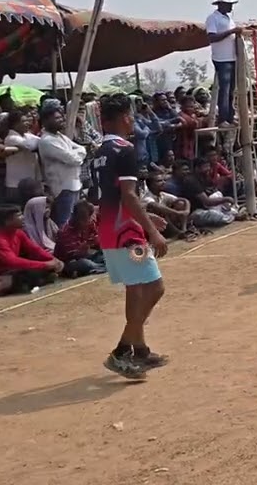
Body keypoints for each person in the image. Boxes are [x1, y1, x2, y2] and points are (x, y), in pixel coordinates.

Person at [90, 93, 169, 380]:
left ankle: (140, 349)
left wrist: (147, 217)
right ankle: (123, 350)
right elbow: (129, 196)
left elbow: (109, 195)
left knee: (135, 289)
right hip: (127, 235)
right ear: (125, 118)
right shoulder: (125, 149)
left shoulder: (99, 151)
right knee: (155, 287)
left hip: (110, 229)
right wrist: (150, 231)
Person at [37, 101, 87, 228]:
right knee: (64, 222)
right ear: (46, 120)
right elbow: (72, 158)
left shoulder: (60, 137)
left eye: (61, 117)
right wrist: (77, 155)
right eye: (57, 118)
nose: (61, 120)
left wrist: (77, 154)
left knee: (75, 220)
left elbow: (81, 149)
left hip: (74, 184)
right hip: (62, 188)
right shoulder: (47, 141)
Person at [206, 0, 245, 127]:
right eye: (229, 4)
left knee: (231, 89)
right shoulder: (213, 18)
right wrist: (231, 31)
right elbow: (212, 37)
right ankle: (222, 118)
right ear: (221, 5)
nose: (231, 7)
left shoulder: (229, 19)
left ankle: (229, 116)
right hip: (221, 58)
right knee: (225, 88)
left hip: (232, 56)